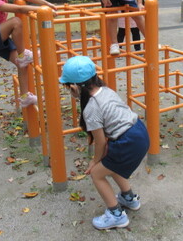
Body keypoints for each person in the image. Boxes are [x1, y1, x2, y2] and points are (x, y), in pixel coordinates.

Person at [59, 56, 149, 230]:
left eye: (67, 88)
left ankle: (116, 215)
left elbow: (100, 142)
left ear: (74, 87)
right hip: (139, 131)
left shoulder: (91, 108)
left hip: (127, 141)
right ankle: (129, 199)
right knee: (112, 165)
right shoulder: (106, 90)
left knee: (97, 174)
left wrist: (94, 161)